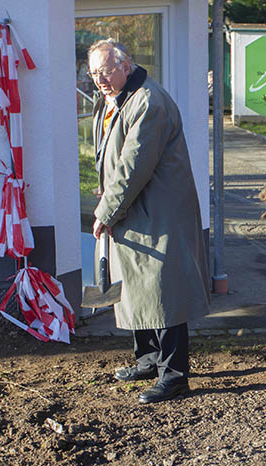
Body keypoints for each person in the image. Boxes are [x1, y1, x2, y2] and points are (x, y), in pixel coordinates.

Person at [89, 39, 210, 404]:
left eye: (106, 70)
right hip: (135, 211)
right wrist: (108, 196)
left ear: (127, 65)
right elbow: (114, 159)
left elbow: (133, 167)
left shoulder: (147, 102)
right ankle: (148, 360)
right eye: (94, 73)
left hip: (159, 213)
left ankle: (174, 376)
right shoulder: (117, 98)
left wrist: (106, 211)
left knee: (162, 291)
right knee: (136, 288)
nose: (100, 79)